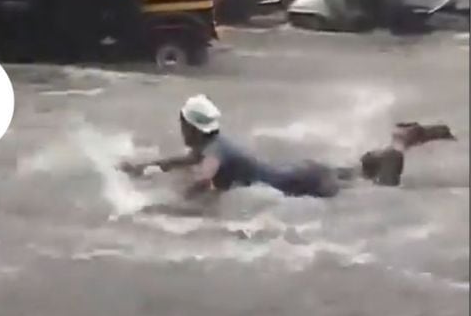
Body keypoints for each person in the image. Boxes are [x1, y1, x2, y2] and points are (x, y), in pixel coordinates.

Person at [118, 94, 455, 201]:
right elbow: (181, 162)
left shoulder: (215, 152)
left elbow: (204, 178)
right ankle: (397, 145)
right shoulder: (213, 145)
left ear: (190, 126)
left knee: (383, 191)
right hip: (302, 173)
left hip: (304, 183)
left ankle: (398, 142)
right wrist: (141, 169)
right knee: (361, 174)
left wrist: (168, 207)